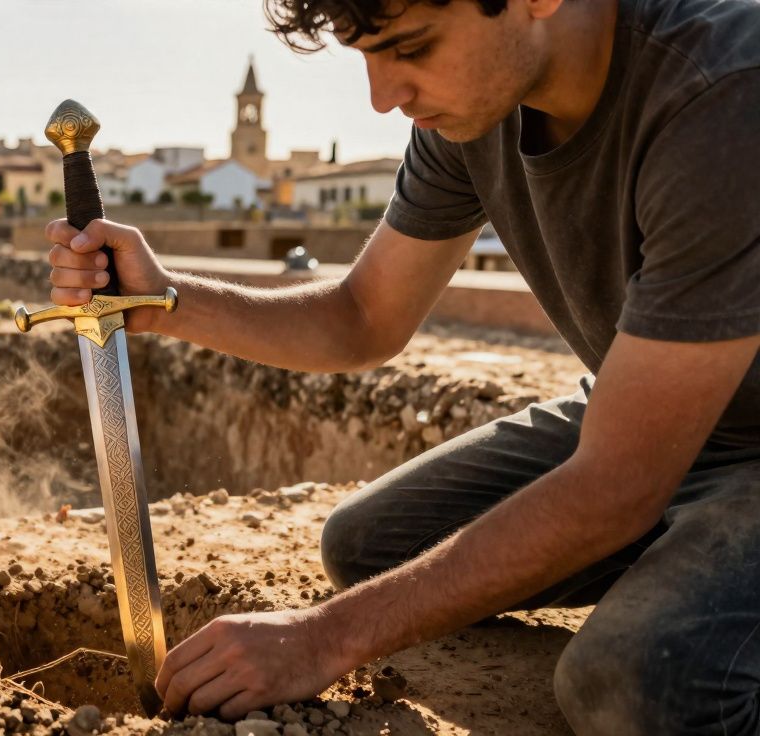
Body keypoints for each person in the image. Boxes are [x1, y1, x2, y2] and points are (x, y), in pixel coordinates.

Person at [39, 0, 760, 731]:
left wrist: (323, 637)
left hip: (717, 449)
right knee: (369, 548)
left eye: (411, 48)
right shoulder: (474, 108)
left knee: (634, 683)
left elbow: (617, 485)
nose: (383, 98)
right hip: (665, 426)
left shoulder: (724, 91)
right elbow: (362, 317)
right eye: (367, 57)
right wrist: (164, 300)